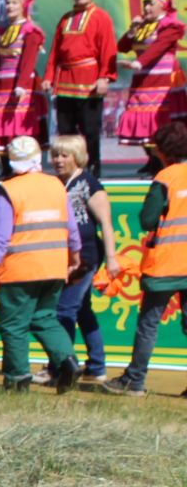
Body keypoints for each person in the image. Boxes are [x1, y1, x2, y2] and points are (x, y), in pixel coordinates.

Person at [0, 136, 80, 391]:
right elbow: (72, 228)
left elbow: (1, 236)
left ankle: (17, 378)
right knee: (45, 317)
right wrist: (74, 258)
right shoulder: (57, 185)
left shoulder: (9, 190)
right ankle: (67, 359)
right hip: (54, 266)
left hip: (20, 269)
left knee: (13, 324)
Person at [102, 122, 187, 396]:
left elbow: (147, 220)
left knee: (149, 323)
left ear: (163, 151)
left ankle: (134, 380)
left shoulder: (165, 178)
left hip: (166, 262)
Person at [36, 135, 118, 383]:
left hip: (85, 257)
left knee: (64, 310)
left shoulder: (89, 184)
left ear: (77, 156)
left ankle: (61, 365)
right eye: (55, 155)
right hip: (65, 256)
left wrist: (112, 258)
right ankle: (96, 365)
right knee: (83, 310)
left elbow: (106, 223)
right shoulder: (57, 183)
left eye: (64, 155)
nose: (58, 160)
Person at [42, 0, 118, 168]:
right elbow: (54, 52)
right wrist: (49, 77)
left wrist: (105, 77)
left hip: (89, 81)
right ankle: (68, 167)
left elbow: (108, 48)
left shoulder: (101, 17)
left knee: (90, 129)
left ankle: (93, 166)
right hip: (65, 80)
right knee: (66, 130)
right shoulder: (65, 19)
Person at [117, 0, 184, 176]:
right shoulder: (144, 25)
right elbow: (122, 46)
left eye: (150, 3)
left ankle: (163, 160)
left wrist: (138, 62)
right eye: (145, 3)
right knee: (142, 117)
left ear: (162, 6)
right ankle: (152, 159)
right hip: (143, 77)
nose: (146, 7)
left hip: (163, 78)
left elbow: (158, 47)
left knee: (160, 120)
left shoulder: (171, 26)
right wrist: (132, 29)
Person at [0, 0, 46, 157]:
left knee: (18, 126)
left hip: (20, 86)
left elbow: (28, 61)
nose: (10, 6)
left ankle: (22, 165)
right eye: (8, 3)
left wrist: (22, 85)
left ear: (23, 6)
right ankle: (6, 166)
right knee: (3, 127)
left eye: (14, 3)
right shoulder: (2, 32)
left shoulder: (30, 31)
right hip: (2, 87)